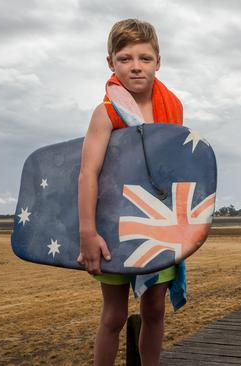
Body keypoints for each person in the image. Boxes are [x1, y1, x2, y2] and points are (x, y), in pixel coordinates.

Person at [77, 19, 185, 365]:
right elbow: (87, 173)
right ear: (111, 63)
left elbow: (178, 170)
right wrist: (87, 233)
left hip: (158, 225)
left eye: (144, 58)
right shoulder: (106, 113)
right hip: (113, 226)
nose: (135, 66)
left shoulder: (173, 108)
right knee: (114, 316)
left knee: (154, 311)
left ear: (158, 61)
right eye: (125, 58)